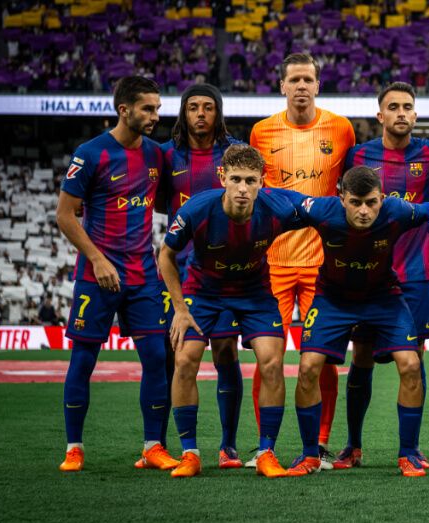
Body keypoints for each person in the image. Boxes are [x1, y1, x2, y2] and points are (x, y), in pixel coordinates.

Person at [159, 144, 303, 478]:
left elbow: (323, 211)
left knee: (272, 362)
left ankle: (267, 453)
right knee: (185, 359)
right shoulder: (197, 209)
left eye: (250, 180)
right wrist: (179, 309)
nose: (242, 188)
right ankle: (190, 454)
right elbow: (165, 254)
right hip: (203, 291)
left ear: (262, 181)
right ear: (222, 177)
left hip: (255, 292)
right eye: (236, 179)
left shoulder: (278, 207)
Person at [56, 76, 176, 472]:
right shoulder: (90, 153)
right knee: (83, 359)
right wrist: (97, 259)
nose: (155, 116)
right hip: (98, 274)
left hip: (143, 273)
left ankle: (153, 446)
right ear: (124, 110)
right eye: (148, 108)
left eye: (157, 108)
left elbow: (165, 199)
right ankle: (74, 448)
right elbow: (65, 215)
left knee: (156, 357)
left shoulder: (157, 154)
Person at [282, 166, 429, 477]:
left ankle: (408, 454)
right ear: (342, 199)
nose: (364, 211)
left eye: (371, 202)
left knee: (411, 364)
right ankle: (309, 455)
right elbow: (279, 199)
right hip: (333, 298)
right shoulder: (322, 211)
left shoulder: (397, 211)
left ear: (382, 199)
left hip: (384, 297)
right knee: (308, 367)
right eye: (355, 203)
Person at [334, 82, 429, 469]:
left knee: (413, 360)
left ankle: (410, 449)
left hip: (415, 276)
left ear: (415, 114)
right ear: (379, 115)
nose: (401, 113)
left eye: (407, 107)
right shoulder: (358, 155)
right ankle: (352, 445)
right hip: (367, 275)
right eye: (393, 107)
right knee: (361, 358)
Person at [248, 52, 356, 469]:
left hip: (322, 264)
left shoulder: (341, 129)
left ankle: (321, 445)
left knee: (321, 357)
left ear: (317, 85)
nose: (301, 86)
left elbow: (354, 184)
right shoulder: (261, 132)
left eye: (307, 79)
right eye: (294, 79)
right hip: (273, 263)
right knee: (268, 358)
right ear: (282, 86)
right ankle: (265, 447)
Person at [157, 82, 245, 470]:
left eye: (208, 107)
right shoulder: (166, 154)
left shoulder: (234, 153)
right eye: (193, 107)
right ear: (183, 112)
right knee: (175, 355)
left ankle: (228, 446)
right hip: (179, 271)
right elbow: (158, 200)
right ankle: (162, 445)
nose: (201, 114)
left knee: (225, 350)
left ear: (218, 112)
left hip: (225, 272)